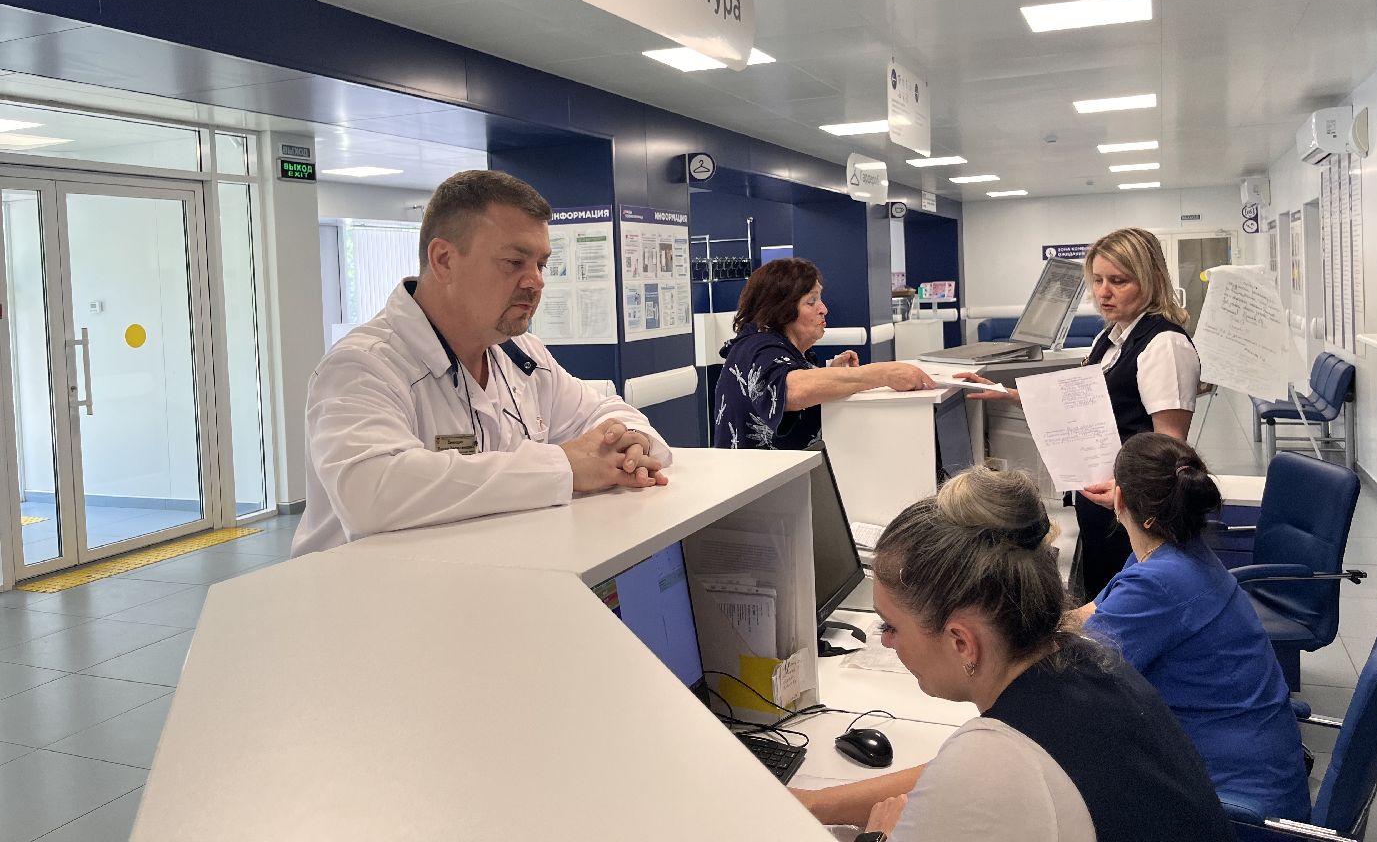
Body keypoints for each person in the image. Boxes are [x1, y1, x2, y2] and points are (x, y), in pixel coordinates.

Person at [792, 466, 1234, 841]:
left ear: (962, 641)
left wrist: (879, 835)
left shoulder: (996, 759)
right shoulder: (1086, 664)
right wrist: (815, 805)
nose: (886, 642)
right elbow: (956, 774)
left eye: (891, 626)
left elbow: (977, 772)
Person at [293, 170, 671, 557]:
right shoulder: (362, 366)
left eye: (541, 264)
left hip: (484, 574)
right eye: (514, 262)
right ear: (444, 261)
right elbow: (371, 493)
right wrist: (563, 467)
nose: (536, 282)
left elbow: (604, 412)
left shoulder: (521, 353)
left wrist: (631, 444)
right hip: (371, 589)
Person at [1073, 433, 1309, 820]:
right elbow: (1091, 614)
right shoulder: (1173, 552)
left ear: (1118, 499)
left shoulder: (1158, 583)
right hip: (1257, 773)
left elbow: (1075, 681)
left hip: (1234, 811)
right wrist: (1032, 616)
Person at [961, 227, 1200, 599]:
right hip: (1102, 497)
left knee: (1124, 602)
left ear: (1151, 280)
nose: (1103, 292)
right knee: (1102, 590)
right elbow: (1082, 402)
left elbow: (1171, 444)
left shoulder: (1164, 344)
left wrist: (1126, 491)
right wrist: (1006, 393)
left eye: (1118, 281)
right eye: (1098, 280)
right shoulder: (1110, 337)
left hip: (1135, 507)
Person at [711, 258, 936, 450]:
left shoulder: (781, 349)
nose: (823, 309)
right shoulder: (757, 347)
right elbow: (791, 390)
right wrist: (884, 374)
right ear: (780, 308)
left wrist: (830, 375)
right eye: (811, 301)